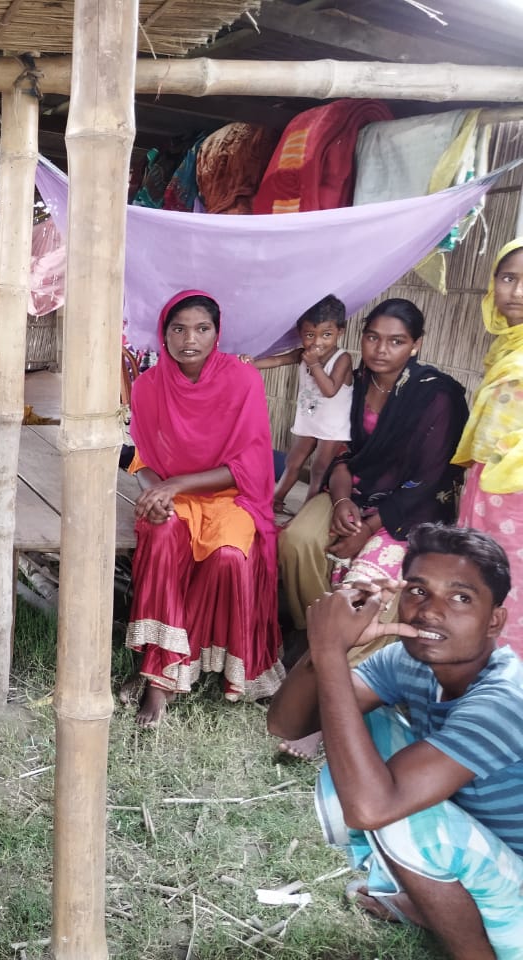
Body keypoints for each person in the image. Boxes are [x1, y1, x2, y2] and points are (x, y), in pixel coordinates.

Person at [267, 524, 523, 959]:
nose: (431, 612)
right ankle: (431, 906)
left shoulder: (504, 701)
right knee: (360, 721)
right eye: (419, 591)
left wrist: (331, 653)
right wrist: (328, 646)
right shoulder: (409, 658)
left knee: (401, 815)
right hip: (487, 850)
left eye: (461, 598)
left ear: (494, 620)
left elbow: (370, 808)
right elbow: (287, 724)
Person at [277, 297, 468, 760]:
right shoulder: (353, 381)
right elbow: (342, 455)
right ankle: (314, 640)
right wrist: (341, 500)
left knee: (368, 585)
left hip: (411, 510)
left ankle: (333, 702)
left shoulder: (436, 394)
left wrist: (371, 527)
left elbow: (432, 477)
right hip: (356, 494)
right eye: (373, 337)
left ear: (416, 345)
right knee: (297, 541)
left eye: (397, 341)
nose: (381, 350)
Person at [123, 291, 284, 726]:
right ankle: (160, 680)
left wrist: (175, 485)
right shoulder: (148, 386)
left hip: (231, 497)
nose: (188, 339)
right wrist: (158, 493)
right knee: (161, 535)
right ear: (164, 333)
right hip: (174, 495)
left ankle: (183, 665)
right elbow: (142, 463)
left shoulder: (243, 380)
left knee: (229, 558)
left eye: (201, 328)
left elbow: (248, 467)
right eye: (178, 328)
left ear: (217, 333)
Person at [454, 237, 523, 657]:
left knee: (512, 591)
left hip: (515, 496)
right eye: (508, 278)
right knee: (481, 583)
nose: (516, 292)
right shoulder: (506, 346)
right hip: (486, 487)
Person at [240, 295, 353, 515]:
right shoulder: (302, 354)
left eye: (326, 335)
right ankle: (275, 500)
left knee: (319, 469)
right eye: (310, 335)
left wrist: (314, 364)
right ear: (300, 334)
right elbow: (278, 360)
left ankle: (305, 514)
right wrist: (250, 363)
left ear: (340, 332)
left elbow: (329, 390)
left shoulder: (342, 358)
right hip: (309, 420)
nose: (317, 342)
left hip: (333, 426)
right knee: (293, 461)